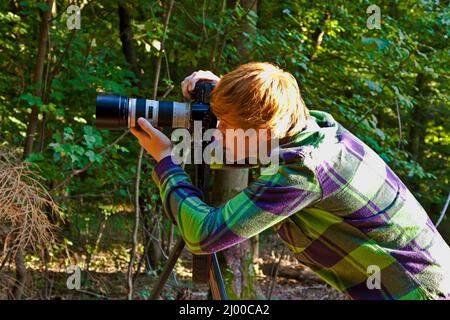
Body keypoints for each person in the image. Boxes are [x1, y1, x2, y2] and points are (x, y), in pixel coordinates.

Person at [130, 62, 450, 300]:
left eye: (226, 124)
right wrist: (227, 93)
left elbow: (204, 234)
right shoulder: (316, 127)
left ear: (265, 133)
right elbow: (265, 118)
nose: (218, 131)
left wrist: (166, 161)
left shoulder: (301, 172)